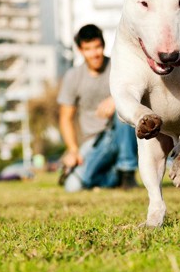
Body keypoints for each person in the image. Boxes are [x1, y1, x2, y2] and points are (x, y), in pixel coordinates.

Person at [57, 24, 138, 191]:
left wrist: (116, 99)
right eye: (88, 49)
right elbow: (65, 118)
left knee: (123, 107)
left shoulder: (118, 67)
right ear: (80, 50)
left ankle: (127, 171)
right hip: (93, 142)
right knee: (72, 187)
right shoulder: (73, 77)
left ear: (103, 45)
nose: (94, 54)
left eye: (97, 47)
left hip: (122, 133)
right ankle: (115, 176)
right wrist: (73, 150)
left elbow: (138, 94)